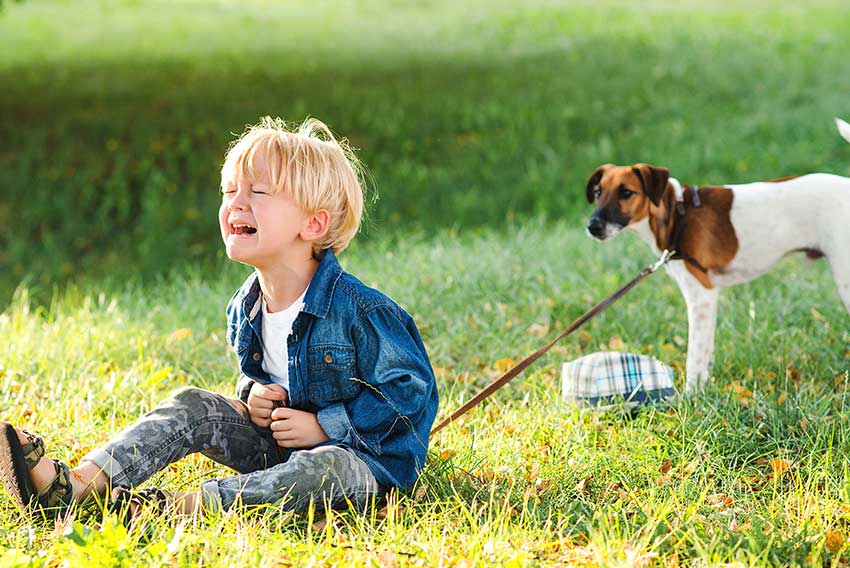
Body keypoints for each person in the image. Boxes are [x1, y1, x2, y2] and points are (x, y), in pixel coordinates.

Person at [0, 117, 439, 521]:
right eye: (229, 192)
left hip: (361, 467)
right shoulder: (246, 306)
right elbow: (263, 375)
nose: (236, 204)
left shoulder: (362, 311)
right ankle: (78, 486)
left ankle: (178, 508)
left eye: (257, 192)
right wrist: (254, 394)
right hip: (280, 450)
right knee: (193, 403)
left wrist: (324, 426)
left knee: (327, 466)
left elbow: (409, 395)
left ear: (313, 224)